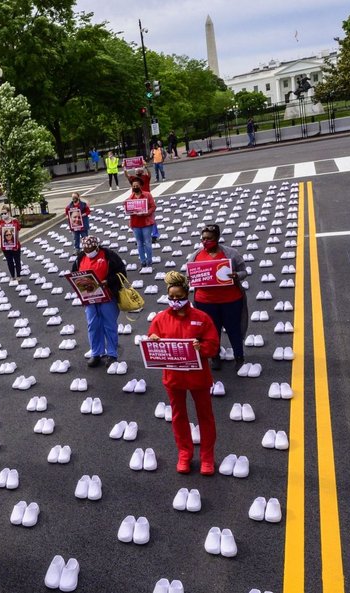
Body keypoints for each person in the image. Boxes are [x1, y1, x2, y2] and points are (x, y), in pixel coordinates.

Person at [147, 271, 220, 475]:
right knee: (179, 416)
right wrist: (153, 340)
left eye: (179, 296)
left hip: (198, 377)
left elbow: (213, 345)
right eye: (172, 297)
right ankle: (184, 454)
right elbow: (151, 340)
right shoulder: (160, 319)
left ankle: (207, 457)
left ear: (187, 294)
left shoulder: (201, 317)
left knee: (205, 416)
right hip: (174, 377)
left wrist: (201, 348)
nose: (175, 300)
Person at [186, 224, 249, 372]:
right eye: (203, 239)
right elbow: (189, 275)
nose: (206, 241)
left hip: (231, 300)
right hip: (205, 302)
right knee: (211, 331)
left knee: (234, 329)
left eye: (209, 238)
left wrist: (236, 276)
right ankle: (215, 357)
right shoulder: (195, 255)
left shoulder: (231, 254)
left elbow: (244, 271)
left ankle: (239, 356)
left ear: (217, 238)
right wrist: (190, 278)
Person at [71, 236, 125, 368]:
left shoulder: (109, 255)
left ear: (97, 247)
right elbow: (74, 274)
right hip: (90, 297)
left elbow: (121, 273)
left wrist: (108, 281)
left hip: (108, 295)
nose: (88, 251)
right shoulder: (80, 258)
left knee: (109, 324)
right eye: (85, 249)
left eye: (90, 249)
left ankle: (112, 354)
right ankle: (96, 353)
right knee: (93, 324)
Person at [125, 181, 157, 269]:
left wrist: (146, 213)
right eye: (133, 186)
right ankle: (143, 262)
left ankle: (149, 261)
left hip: (146, 223)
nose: (135, 187)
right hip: (135, 224)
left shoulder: (147, 195)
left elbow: (153, 206)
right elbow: (129, 210)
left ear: (140, 186)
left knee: (147, 242)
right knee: (139, 243)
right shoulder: (130, 198)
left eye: (137, 185)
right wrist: (125, 206)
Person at [0, 205, 22, 281]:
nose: (4, 215)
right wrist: (0, 228)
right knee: (9, 261)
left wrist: (17, 243)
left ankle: (18, 275)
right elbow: (1, 234)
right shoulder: (1, 223)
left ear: (8, 212)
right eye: (2, 214)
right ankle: (12, 276)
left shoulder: (14, 221)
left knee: (17, 260)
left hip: (15, 245)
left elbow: (17, 233)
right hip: (6, 247)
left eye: (5, 213)